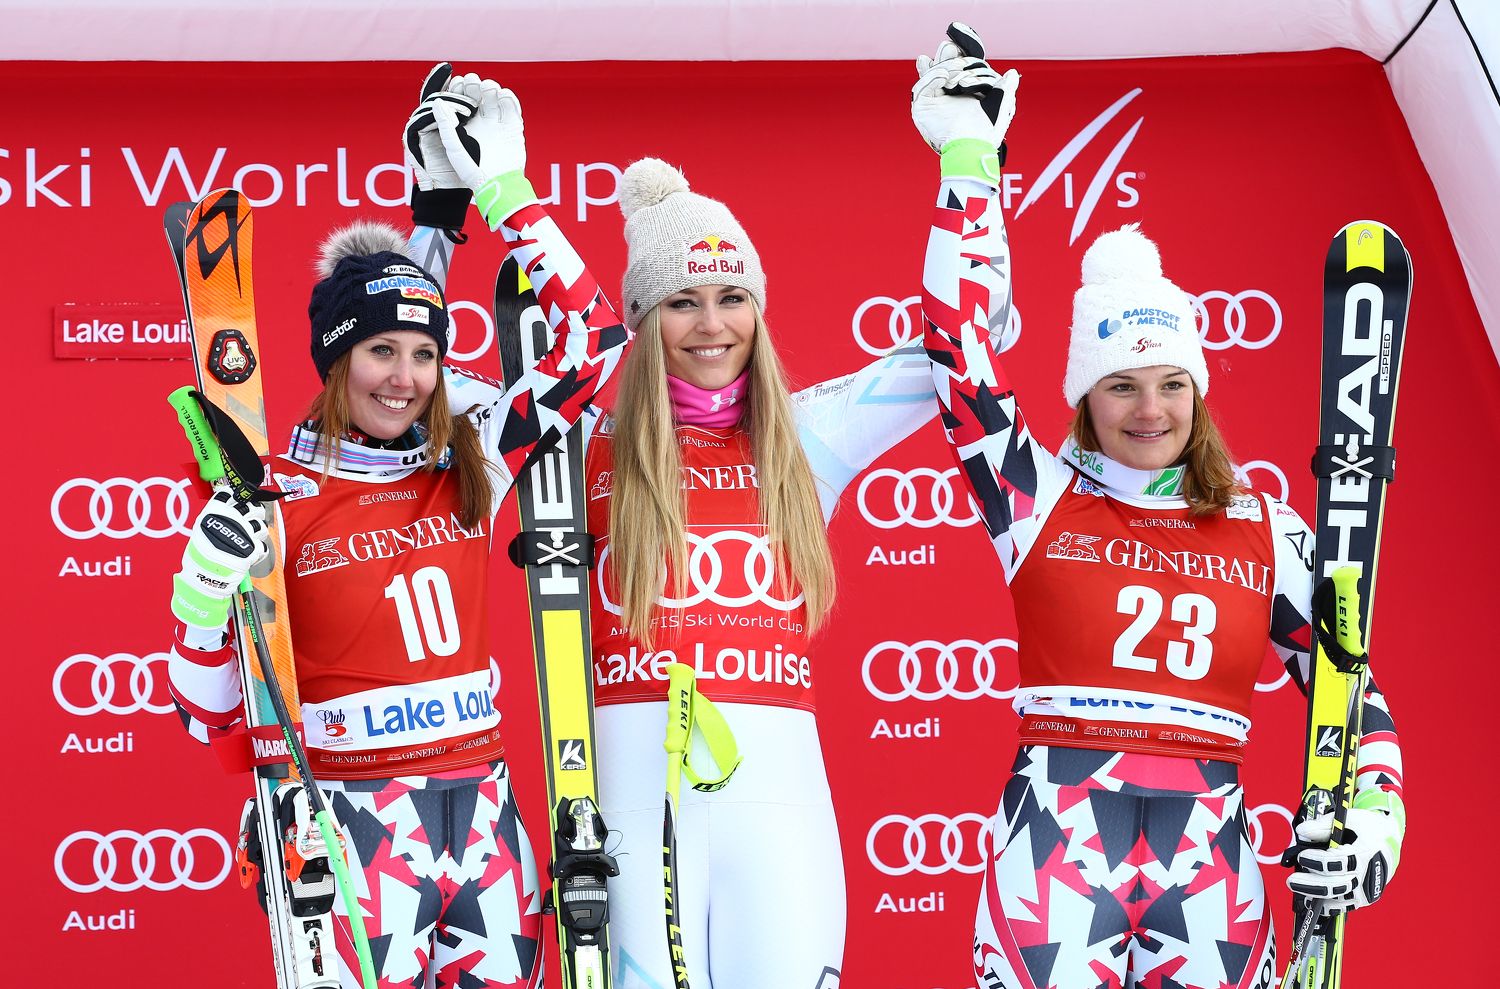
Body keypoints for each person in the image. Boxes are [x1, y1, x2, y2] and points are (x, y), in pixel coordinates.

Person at [910, 27, 1407, 989]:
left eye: (1172, 383)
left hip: (1210, 874)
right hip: (1054, 855)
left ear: (1199, 390)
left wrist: (1375, 823)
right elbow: (956, 352)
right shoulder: (1034, 496)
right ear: (1084, 398)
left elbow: (1354, 693)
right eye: (1122, 384)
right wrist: (969, 165)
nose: (1150, 409)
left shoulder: (1266, 527)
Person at [165, 72, 629, 989]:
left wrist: (505, 191)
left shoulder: (470, 457)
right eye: (380, 350)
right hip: (349, 821)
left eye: (426, 354)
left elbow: (598, 344)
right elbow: (205, 710)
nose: (405, 377)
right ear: (336, 359)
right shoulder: (272, 487)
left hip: (485, 816)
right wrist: (200, 591)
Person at [579, 152, 1010, 988]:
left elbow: (970, 335)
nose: (713, 323)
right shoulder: (584, 439)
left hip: (777, 815)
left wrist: (968, 164)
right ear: (641, 318)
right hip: (632, 805)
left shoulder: (814, 435)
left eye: (732, 296)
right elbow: (419, 385)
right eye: (682, 301)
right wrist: (484, 207)